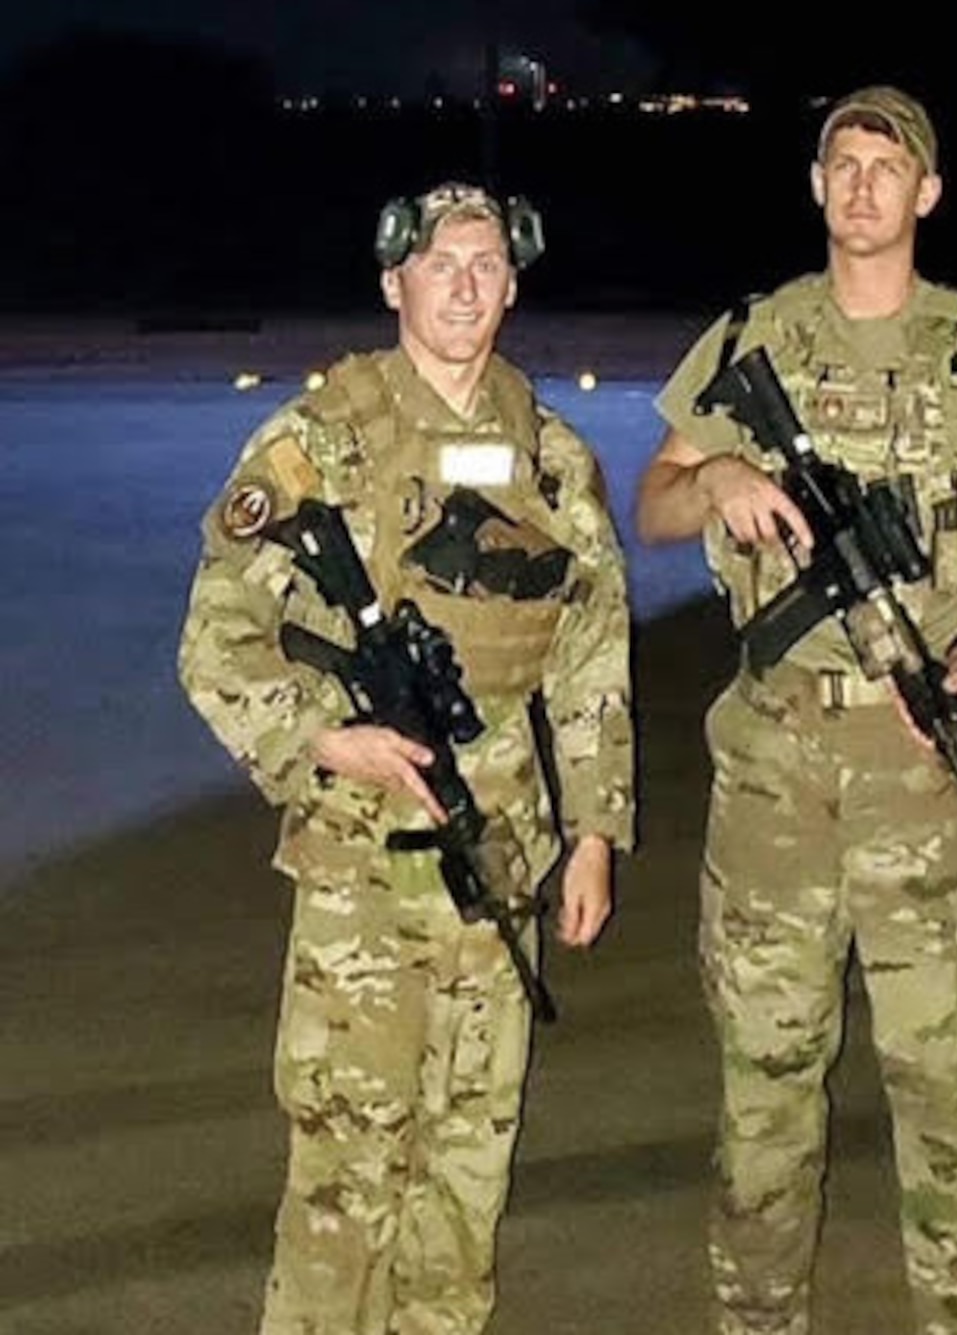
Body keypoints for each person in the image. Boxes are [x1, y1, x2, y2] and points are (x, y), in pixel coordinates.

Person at [636, 84, 957, 1334]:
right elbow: (651, 506)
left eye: (889, 165)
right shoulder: (750, 339)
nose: (864, 184)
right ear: (815, 183)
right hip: (773, 769)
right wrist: (715, 473)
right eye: (844, 161)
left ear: (927, 193)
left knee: (945, 1093)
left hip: (924, 768)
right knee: (764, 1092)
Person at [178, 182, 635, 1335]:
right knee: (344, 1185)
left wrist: (593, 834)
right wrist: (318, 737)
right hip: (360, 870)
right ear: (394, 284)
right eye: (442, 265)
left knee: (466, 1184)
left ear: (514, 285)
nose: (467, 285)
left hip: (498, 865)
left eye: (487, 264)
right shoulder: (318, 440)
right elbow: (216, 635)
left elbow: (589, 657)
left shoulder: (552, 454)